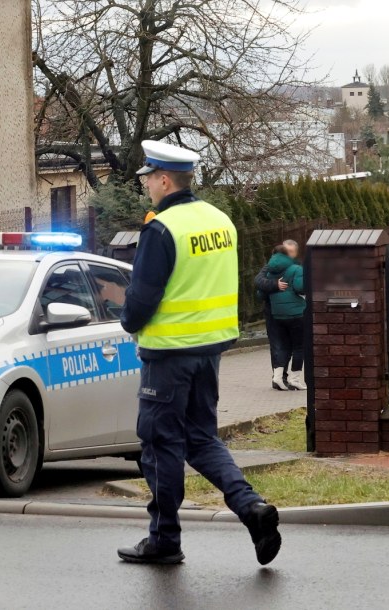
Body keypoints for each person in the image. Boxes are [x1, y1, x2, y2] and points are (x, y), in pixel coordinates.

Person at [118, 140, 281, 566]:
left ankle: (164, 539)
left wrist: (127, 318)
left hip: (168, 356)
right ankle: (251, 508)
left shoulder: (162, 228)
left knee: (161, 446)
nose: (146, 186)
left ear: (165, 180)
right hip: (209, 353)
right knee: (201, 438)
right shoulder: (220, 221)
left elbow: (140, 303)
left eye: (149, 178)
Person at [265, 241, 307, 391]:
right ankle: (294, 379)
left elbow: (260, 291)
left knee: (283, 347)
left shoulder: (269, 271)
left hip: (277, 314)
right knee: (299, 347)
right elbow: (300, 287)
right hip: (295, 313)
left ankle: (277, 377)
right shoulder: (296, 268)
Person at [254, 264, 290, 389]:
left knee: (286, 345)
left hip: (289, 311)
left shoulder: (295, 266)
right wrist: (275, 284)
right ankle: (279, 378)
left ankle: (281, 377)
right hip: (273, 311)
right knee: (278, 345)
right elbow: (258, 280)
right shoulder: (271, 266)